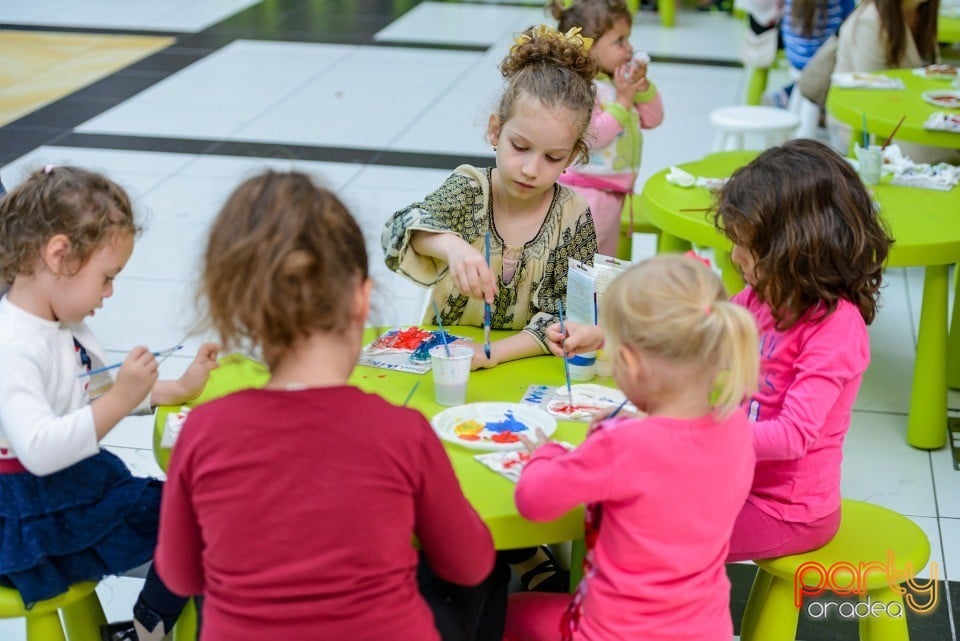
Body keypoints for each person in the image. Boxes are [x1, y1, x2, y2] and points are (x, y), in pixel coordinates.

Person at [155, 171, 497, 641]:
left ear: (238, 309)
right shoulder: (401, 432)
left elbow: (180, 576)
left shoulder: (203, 431)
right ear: (362, 298)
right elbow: (471, 563)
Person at [0, 165, 220, 641]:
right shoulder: (14, 344)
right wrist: (122, 397)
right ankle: (149, 627)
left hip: (63, 492)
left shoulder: (60, 324)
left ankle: (148, 623)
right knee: (198, 517)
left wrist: (177, 388)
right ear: (60, 256)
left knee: (200, 510)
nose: (110, 292)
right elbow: (39, 448)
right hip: (30, 514)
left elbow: (94, 389)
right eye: (106, 277)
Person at [504, 253, 759, 641]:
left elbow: (534, 500)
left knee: (503, 614)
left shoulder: (622, 446)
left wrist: (547, 451)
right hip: (707, 629)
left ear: (627, 362)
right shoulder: (737, 426)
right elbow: (675, 464)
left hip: (614, 632)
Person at [713, 139, 893, 561]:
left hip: (787, 513)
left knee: (663, 537)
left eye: (747, 244)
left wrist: (706, 435)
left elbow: (794, 435)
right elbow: (705, 327)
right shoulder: (765, 293)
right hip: (738, 477)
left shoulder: (835, 328)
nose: (735, 255)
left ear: (797, 250)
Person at [382, 24, 599, 371]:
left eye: (552, 157)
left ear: (572, 157)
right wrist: (451, 247)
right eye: (521, 147)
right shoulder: (470, 189)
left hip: (527, 368)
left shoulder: (573, 215)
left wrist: (489, 354)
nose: (530, 169)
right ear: (496, 130)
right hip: (447, 364)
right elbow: (398, 230)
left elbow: (567, 316)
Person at [550, 0, 664, 257]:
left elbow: (654, 118)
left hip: (611, 191)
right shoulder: (582, 87)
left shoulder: (616, 83)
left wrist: (641, 88)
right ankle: (572, 298)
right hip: (588, 192)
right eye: (619, 41)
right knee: (583, 261)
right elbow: (594, 135)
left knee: (603, 263)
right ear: (587, 48)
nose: (630, 48)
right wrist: (623, 101)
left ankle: (601, 298)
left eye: (628, 39)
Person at [832, 0, 958, 163]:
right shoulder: (870, 20)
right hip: (873, 127)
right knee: (945, 156)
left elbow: (935, 74)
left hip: (914, 116)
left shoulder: (923, 12)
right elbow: (873, 96)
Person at [763, 0, 855, 108]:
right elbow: (850, 23)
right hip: (821, 63)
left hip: (794, 56)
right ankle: (792, 95)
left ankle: (787, 93)